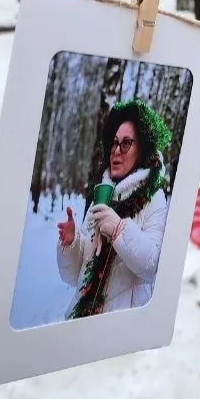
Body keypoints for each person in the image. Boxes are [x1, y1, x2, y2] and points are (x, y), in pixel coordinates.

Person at [57, 98, 171, 320]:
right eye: (114, 142)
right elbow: (75, 276)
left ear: (142, 150)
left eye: (126, 143)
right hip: (82, 322)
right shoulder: (102, 196)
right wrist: (72, 243)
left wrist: (119, 230)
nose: (116, 150)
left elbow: (153, 266)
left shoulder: (154, 199)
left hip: (122, 329)